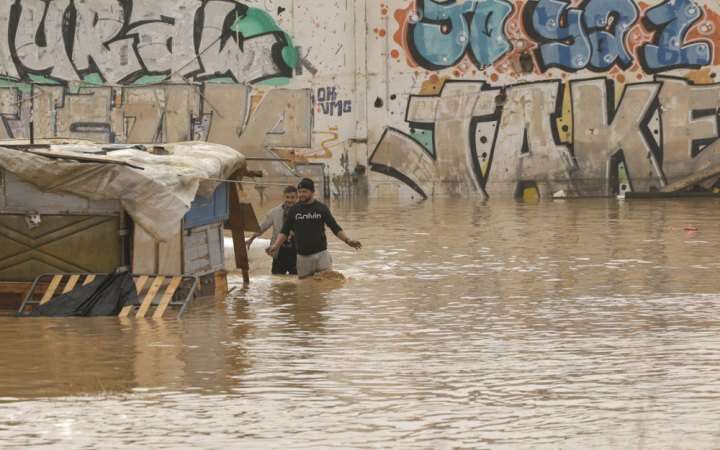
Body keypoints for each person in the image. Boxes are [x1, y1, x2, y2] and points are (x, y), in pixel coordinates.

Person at [267, 178, 361, 279]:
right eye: (300, 192)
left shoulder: (321, 208)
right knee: (305, 289)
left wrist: (348, 240)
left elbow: (335, 227)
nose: (301, 194)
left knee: (326, 284)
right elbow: (284, 231)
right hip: (302, 257)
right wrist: (276, 246)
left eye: (304, 192)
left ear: (312, 192)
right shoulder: (294, 210)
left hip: (321, 254)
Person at [246, 185, 298, 275]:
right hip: (279, 251)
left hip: (297, 252)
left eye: (292, 197)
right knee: (276, 281)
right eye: (287, 197)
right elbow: (262, 227)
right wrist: (251, 238)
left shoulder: (302, 212)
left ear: (297, 198)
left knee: (297, 281)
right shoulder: (274, 212)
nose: (289, 200)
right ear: (283, 197)